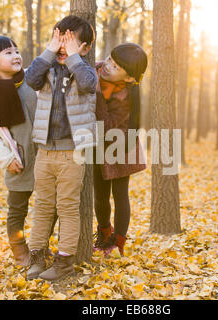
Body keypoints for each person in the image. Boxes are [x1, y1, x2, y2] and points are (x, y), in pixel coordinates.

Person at [24, 15, 97, 281]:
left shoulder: (85, 70)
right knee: (42, 206)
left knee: (67, 207)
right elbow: (30, 80)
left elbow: (89, 85)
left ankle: (64, 262)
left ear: (85, 48)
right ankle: (36, 257)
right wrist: (49, 51)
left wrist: (75, 57)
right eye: (59, 39)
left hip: (72, 153)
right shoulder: (47, 67)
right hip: (44, 152)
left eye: (70, 42)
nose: (63, 47)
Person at [0, 35, 52, 267]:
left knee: (51, 207)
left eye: (16, 50)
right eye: (8, 52)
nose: (16, 55)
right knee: (17, 211)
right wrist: (6, 159)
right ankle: (20, 252)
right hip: (20, 162)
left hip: (45, 158)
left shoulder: (31, 80)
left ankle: (41, 247)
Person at [93, 43, 148, 256]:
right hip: (98, 147)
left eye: (115, 67)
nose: (108, 66)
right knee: (99, 195)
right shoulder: (98, 72)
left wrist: (96, 99)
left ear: (128, 78)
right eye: (109, 60)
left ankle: (118, 241)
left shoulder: (127, 94)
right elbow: (96, 66)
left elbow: (108, 125)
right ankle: (104, 232)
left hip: (120, 145)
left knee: (120, 194)